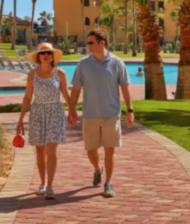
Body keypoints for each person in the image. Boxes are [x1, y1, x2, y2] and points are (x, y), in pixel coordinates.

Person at [68, 29, 134, 198]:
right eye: (87, 42)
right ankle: (98, 169)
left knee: (109, 149)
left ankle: (108, 183)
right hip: (90, 114)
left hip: (111, 114)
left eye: (90, 42)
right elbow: (75, 90)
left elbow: (125, 89)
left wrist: (129, 110)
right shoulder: (83, 64)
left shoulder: (117, 63)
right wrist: (72, 109)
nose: (87, 45)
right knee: (91, 149)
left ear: (101, 42)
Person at [16, 42, 70, 199]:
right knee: (40, 151)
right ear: (38, 57)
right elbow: (27, 97)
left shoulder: (60, 73)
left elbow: (66, 94)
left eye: (49, 53)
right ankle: (42, 182)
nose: (46, 55)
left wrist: (72, 110)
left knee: (51, 148)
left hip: (55, 111)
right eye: (43, 53)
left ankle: (50, 186)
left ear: (53, 56)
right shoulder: (32, 74)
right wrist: (20, 119)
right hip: (37, 112)